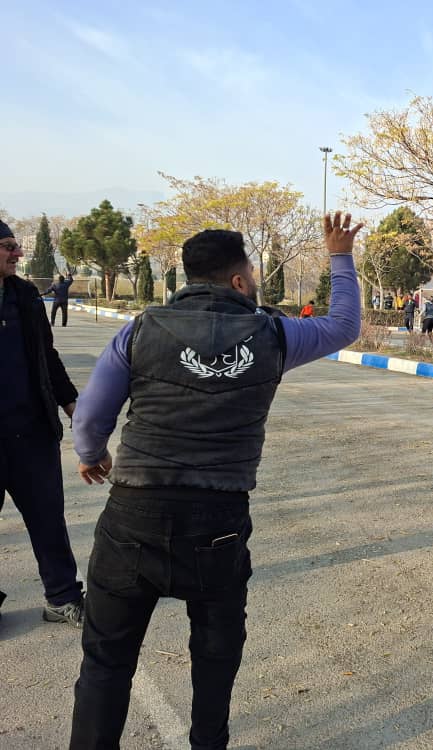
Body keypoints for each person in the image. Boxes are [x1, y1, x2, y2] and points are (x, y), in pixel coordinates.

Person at [68, 212, 363, 749]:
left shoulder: (140, 330)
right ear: (238, 280)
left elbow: (89, 415)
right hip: (218, 521)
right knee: (214, 656)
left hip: (133, 514)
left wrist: (91, 455)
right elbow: (344, 326)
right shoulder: (274, 335)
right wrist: (339, 255)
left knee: (107, 661)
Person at [0, 220, 85, 627]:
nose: (18, 253)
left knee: (48, 519)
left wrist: (73, 407)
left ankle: (62, 597)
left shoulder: (25, 296)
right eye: (8, 246)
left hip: (31, 432)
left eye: (17, 245)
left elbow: (46, 357)